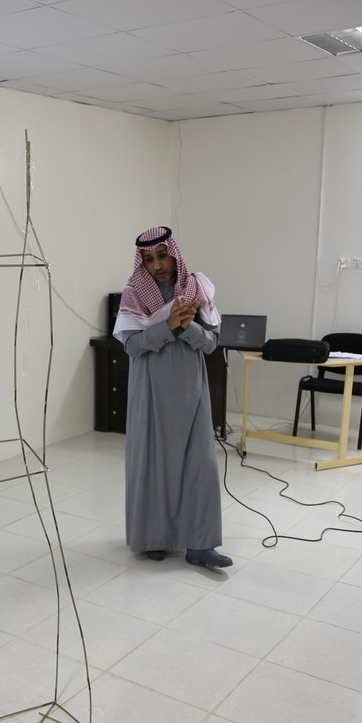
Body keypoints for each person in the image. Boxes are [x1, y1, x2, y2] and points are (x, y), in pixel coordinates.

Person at [112, 226, 231, 569]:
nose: (158, 265)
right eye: (149, 259)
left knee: (200, 466)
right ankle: (154, 538)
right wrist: (166, 327)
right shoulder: (134, 293)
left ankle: (201, 545)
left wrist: (187, 326)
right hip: (150, 391)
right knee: (153, 463)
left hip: (191, 390)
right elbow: (132, 346)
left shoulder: (196, 288)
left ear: (174, 254)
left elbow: (211, 343)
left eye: (162, 256)